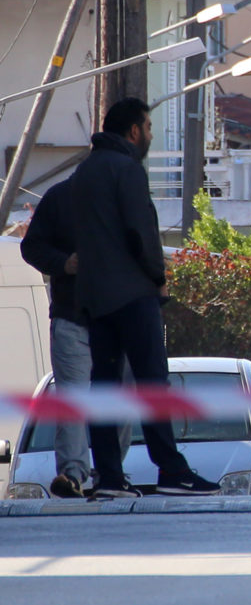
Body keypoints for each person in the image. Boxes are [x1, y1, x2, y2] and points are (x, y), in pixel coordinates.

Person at [71, 97, 220, 498]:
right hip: (134, 295)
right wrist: (159, 277)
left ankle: (109, 477)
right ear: (134, 131)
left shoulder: (83, 173)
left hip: (94, 298)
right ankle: (172, 470)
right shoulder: (127, 170)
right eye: (149, 128)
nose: (151, 135)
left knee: (103, 388)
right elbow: (142, 232)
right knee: (153, 383)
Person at [20, 179, 131, 498]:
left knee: (119, 399)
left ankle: (109, 472)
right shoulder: (60, 198)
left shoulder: (126, 197)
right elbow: (32, 247)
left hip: (115, 321)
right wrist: (64, 263)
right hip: (73, 319)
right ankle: (72, 474)